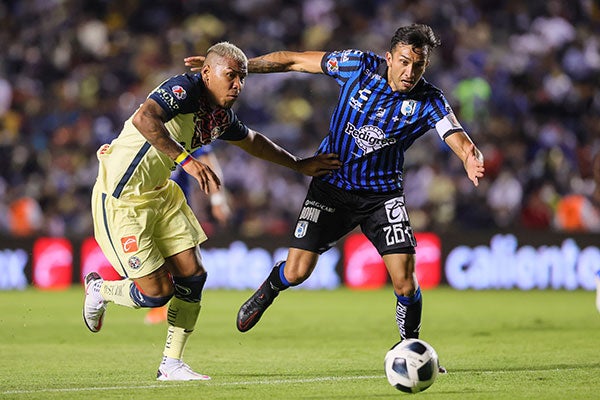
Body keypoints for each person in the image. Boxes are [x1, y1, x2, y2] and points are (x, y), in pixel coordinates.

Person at [186, 24, 485, 371]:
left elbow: (456, 134)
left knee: (405, 278)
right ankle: (269, 288)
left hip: (382, 195)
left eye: (418, 66)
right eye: (404, 62)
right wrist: (243, 67)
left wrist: (469, 157)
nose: (410, 72)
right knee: (297, 272)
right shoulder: (357, 65)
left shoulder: (429, 100)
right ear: (389, 58)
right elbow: (294, 61)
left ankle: (411, 345)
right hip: (332, 185)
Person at [83, 42, 341, 381]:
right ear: (206, 73)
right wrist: (186, 162)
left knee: (193, 276)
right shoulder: (185, 89)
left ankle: (171, 365)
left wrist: (299, 164)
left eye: (242, 79)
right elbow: (145, 117)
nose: (237, 85)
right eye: (230, 76)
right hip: (121, 198)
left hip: (160, 194)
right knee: (156, 294)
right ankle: (99, 290)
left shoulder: (220, 117)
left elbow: (253, 141)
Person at [144, 147, 232, 325]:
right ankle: (164, 305)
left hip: (175, 208)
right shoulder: (142, 130)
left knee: (185, 264)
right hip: (144, 206)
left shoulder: (184, 131)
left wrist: (217, 200)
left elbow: (208, 161)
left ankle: (174, 308)